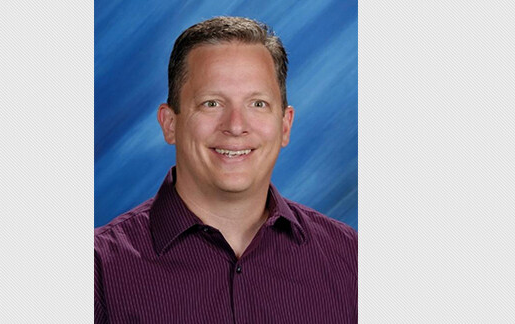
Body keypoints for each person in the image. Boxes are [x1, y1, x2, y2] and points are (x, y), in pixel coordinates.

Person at [95, 16, 357, 323]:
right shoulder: (99, 272)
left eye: (257, 104)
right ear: (170, 123)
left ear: (285, 125)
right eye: (211, 103)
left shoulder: (350, 260)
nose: (235, 126)